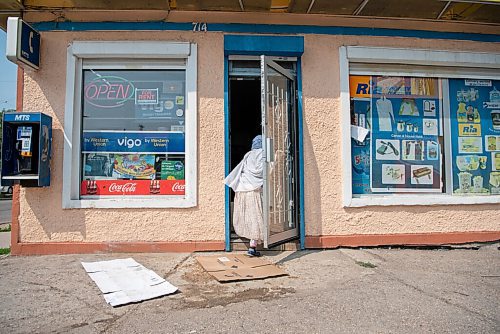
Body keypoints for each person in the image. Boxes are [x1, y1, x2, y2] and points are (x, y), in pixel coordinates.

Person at [224, 135, 264, 256]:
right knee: (255, 217)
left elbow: (241, 169)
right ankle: (252, 246)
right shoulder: (264, 155)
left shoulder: (248, 155)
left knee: (246, 215)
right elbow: (264, 171)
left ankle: (248, 239)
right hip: (254, 190)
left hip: (242, 188)